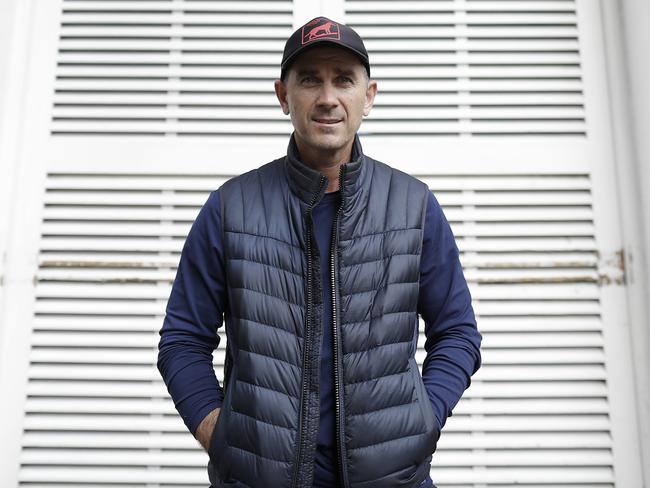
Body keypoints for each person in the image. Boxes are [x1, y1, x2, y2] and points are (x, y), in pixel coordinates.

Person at [157, 16, 482, 488]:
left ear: (367, 96)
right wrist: (221, 436)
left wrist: (421, 423)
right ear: (283, 95)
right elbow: (182, 341)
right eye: (310, 79)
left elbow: (458, 333)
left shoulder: (414, 207)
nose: (327, 97)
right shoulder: (231, 208)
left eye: (343, 80)